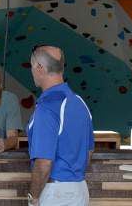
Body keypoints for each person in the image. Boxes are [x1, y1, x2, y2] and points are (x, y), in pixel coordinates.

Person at [26, 45, 94, 206]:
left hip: (55, 194)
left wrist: (33, 197)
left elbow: (44, 162)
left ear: (40, 68)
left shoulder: (47, 107)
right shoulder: (79, 103)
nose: (32, 72)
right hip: (80, 190)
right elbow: (89, 151)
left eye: (32, 67)